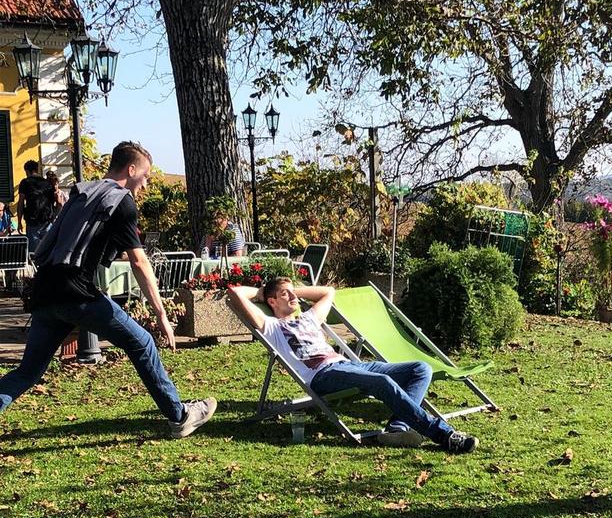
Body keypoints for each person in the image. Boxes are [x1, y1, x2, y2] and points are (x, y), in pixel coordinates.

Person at [0, 141, 216, 439]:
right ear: (131, 169)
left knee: (27, 372)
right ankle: (180, 417)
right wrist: (161, 314)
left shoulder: (83, 193)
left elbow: (81, 246)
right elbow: (139, 262)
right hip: (76, 294)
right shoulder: (121, 200)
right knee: (142, 342)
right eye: (146, 176)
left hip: (45, 292)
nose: (146, 184)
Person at [228, 277, 479, 453]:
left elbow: (329, 291)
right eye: (285, 294)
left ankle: (397, 428)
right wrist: (262, 291)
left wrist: (293, 291)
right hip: (324, 375)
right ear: (272, 302)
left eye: (293, 292)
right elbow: (236, 293)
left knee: (420, 369)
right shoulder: (271, 326)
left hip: (348, 365)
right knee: (383, 382)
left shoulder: (309, 318)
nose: (293, 296)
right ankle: (444, 435)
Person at [17, 160, 56, 252]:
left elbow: (21, 202)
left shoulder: (25, 182)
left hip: (32, 220)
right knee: (48, 251)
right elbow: (53, 201)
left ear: (27, 171)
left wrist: (19, 221)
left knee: (34, 253)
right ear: (37, 169)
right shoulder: (48, 183)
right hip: (47, 220)